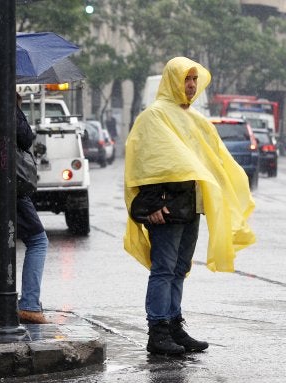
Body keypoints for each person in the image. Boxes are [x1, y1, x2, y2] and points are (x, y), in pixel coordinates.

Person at [124, 57, 256, 355]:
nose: (192, 85)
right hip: (167, 208)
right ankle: (157, 331)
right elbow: (150, 161)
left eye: (195, 79)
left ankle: (173, 326)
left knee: (180, 268)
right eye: (186, 79)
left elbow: (207, 159)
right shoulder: (155, 115)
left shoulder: (194, 117)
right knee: (164, 268)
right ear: (172, 80)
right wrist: (154, 202)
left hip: (191, 206)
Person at [0, 89, 49, 328]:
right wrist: (15, 105)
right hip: (9, 184)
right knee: (38, 240)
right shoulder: (3, 98)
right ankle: (29, 305)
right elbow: (26, 138)